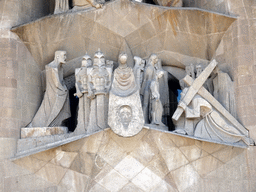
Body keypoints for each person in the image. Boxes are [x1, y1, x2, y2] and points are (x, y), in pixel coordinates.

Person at [28, 51, 71, 127]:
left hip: (57, 91)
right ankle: (42, 124)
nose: (65, 57)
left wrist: (64, 87)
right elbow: (56, 83)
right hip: (53, 92)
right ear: (57, 56)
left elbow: (60, 82)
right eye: (63, 55)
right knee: (50, 107)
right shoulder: (52, 67)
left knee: (65, 94)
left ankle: (57, 122)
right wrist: (63, 88)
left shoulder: (60, 67)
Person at [74, 54, 92, 134]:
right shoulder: (78, 71)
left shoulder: (92, 70)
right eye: (84, 59)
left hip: (89, 94)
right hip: (82, 93)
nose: (86, 61)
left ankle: (88, 126)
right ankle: (82, 127)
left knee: (89, 109)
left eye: (88, 59)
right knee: (81, 109)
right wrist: (78, 90)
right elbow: (77, 82)